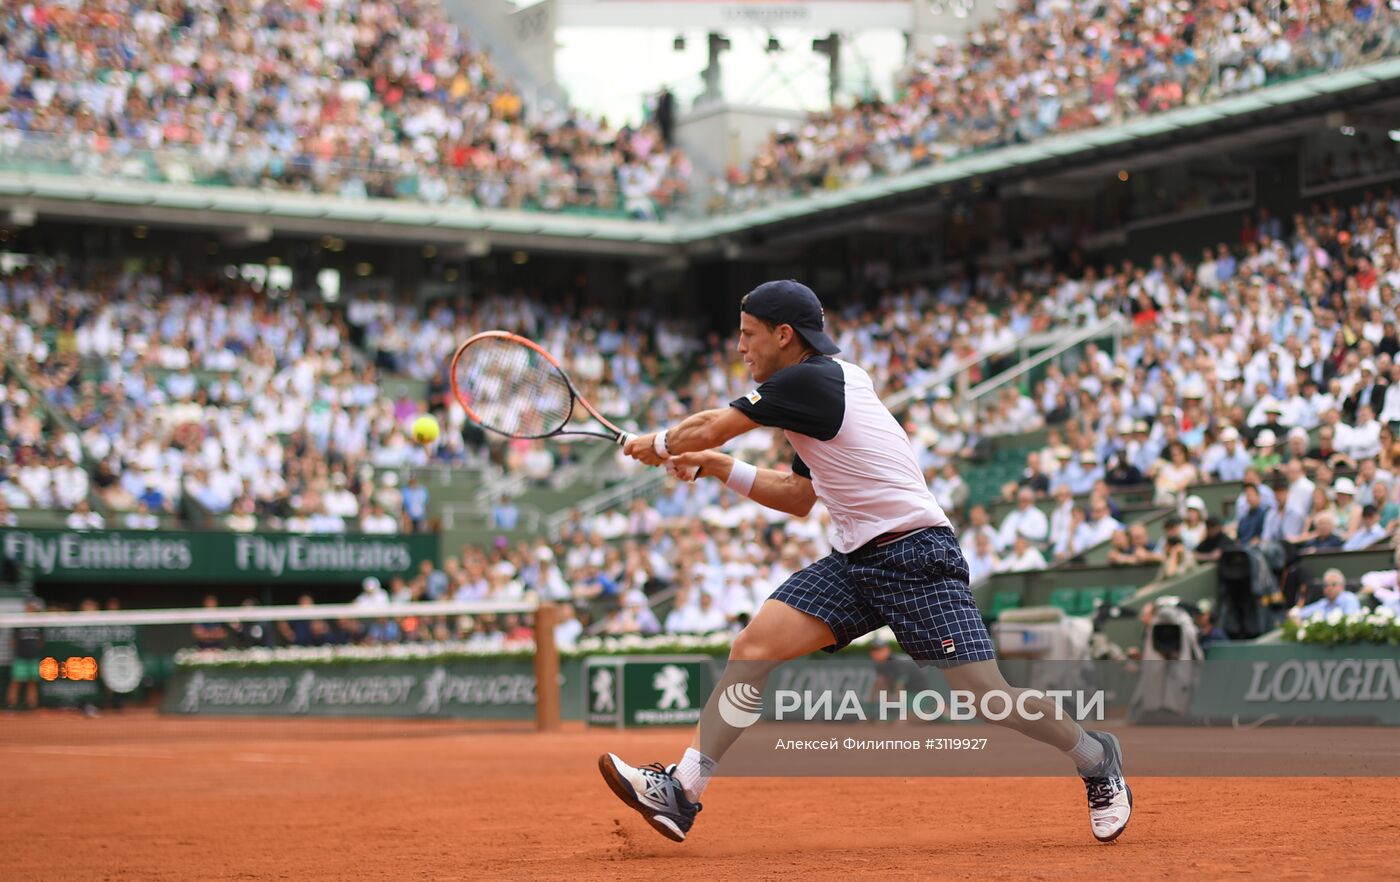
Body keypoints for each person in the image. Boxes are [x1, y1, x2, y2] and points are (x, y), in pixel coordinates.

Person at [598, 280, 1131, 845]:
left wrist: (658, 443)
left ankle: (1096, 757)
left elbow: (703, 427)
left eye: (747, 335)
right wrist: (718, 466)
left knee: (988, 697)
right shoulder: (814, 391)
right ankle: (683, 791)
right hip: (855, 562)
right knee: (752, 648)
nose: (740, 348)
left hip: (916, 554)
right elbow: (798, 496)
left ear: (784, 336)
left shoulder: (811, 380)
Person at [6, 598, 43, 711]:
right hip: (20, 657)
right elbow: (13, 641)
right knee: (16, 681)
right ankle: (11, 705)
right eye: (30, 606)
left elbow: (40, 641)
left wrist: (35, 651)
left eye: (33, 607)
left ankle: (31, 706)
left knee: (32, 682)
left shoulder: (40, 622)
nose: (31, 609)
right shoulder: (19, 621)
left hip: (33, 657)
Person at [1290, 568, 1362, 620]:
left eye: (1333, 584)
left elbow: (1351, 621)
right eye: (1326, 585)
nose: (1329, 588)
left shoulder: (1349, 599)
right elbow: (1298, 613)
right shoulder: (1324, 602)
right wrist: (1295, 616)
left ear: (1342, 586)